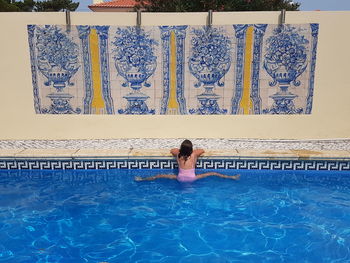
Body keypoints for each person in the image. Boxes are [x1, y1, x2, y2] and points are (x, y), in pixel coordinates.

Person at [134, 139, 240, 182]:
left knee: (159, 176)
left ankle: (142, 179)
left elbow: (172, 150)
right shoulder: (193, 155)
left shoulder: (178, 155)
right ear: (191, 149)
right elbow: (202, 150)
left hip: (179, 178)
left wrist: (180, 150)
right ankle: (232, 177)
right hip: (192, 178)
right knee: (213, 173)